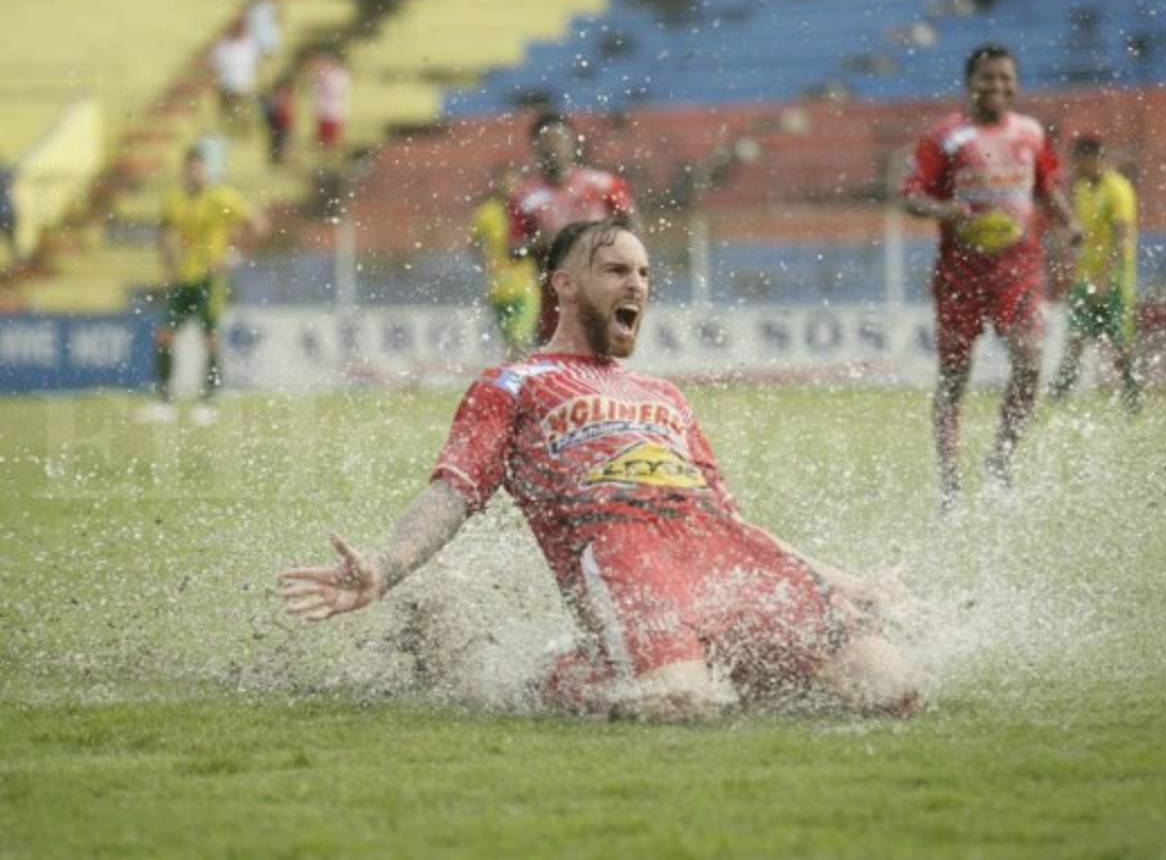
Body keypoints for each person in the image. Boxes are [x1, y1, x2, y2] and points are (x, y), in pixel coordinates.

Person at [280, 222, 920, 722]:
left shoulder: (666, 393)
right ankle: (542, 679)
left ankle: (707, 653)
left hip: (722, 557)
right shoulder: (512, 383)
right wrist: (384, 569)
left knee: (891, 689)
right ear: (563, 284)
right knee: (684, 706)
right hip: (623, 554)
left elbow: (729, 519)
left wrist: (847, 583)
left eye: (644, 272)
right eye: (616, 270)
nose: (637, 284)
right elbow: (454, 491)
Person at [902, 44, 1082, 510]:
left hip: (1019, 269)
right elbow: (912, 197)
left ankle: (1000, 461)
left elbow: (1047, 187)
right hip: (959, 273)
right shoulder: (945, 138)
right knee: (955, 377)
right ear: (970, 83)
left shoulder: (1030, 132)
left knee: (1029, 359)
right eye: (988, 78)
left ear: (1016, 84)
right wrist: (948, 210)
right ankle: (950, 485)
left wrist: (1070, 223)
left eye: (1006, 79)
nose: (997, 87)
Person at [139, 146, 266, 425]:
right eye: (190, 167)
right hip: (182, 277)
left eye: (198, 167)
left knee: (209, 338)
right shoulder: (174, 199)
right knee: (163, 336)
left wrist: (233, 253)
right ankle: (163, 401)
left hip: (210, 277)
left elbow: (256, 223)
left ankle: (208, 402)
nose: (194, 172)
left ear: (206, 170)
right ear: (184, 169)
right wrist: (168, 265)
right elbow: (163, 230)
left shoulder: (221, 197)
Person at [508, 112, 637, 344]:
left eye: (559, 141)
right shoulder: (524, 196)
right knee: (556, 367)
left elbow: (632, 226)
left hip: (603, 299)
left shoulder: (604, 185)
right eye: (547, 143)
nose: (554, 149)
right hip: (553, 303)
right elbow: (513, 250)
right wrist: (543, 243)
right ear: (536, 148)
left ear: (573, 143)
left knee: (604, 363)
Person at [1048, 136, 1140, 413]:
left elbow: (1122, 237)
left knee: (1119, 344)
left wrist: (1104, 276)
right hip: (1084, 277)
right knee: (1076, 339)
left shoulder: (1118, 189)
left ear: (1093, 158)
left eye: (1078, 161)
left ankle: (1132, 400)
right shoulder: (1081, 187)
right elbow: (1082, 231)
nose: (1074, 167)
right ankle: (1057, 398)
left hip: (1113, 279)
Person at [470, 167, 540, 359]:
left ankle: (519, 378)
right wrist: (487, 263)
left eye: (513, 183)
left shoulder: (527, 210)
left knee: (520, 338)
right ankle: (517, 380)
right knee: (509, 342)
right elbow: (474, 244)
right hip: (498, 288)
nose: (509, 188)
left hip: (525, 286)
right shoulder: (486, 213)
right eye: (505, 182)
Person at [210, 17, 261, 136]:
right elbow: (214, 63)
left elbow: (257, 65)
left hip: (243, 86)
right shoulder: (224, 44)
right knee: (227, 115)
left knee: (243, 114)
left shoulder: (251, 44)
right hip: (226, 85)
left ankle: (242, 135)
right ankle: (229, 134)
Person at [310, 49, 349, 154]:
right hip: (322, 109)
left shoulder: (338, 74)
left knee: (332, 138)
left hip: (333, 110)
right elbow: (315, 89)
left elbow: (336, 91)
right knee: (322, 138)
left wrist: (323, 80)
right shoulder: (320, 74)